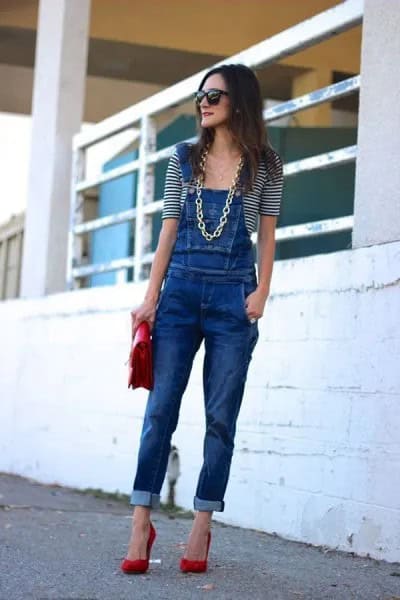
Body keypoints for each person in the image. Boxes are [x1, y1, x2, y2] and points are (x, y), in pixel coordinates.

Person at [121, 63, 284, 575]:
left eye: (214, 94)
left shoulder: (266, 165)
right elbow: (167, 232)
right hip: (181, 296)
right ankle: (140, 521)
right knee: (160, 410)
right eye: (200, 94)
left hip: (234, 297)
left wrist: (261, 290)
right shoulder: (181, 160)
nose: (204, 102)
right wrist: (151, 298)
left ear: (239, 100)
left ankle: (201, 524)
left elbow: (268, 233)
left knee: (221, 416)